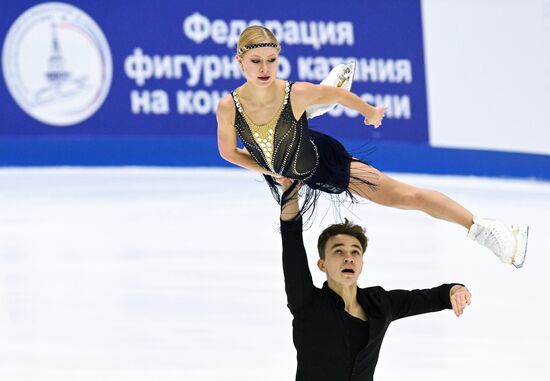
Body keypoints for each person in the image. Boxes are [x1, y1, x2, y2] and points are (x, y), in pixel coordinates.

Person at [216, 25, 528, 267]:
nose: (264, 69)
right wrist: (270, 169)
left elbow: (339, 95)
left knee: (404, 197)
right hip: (287, 168)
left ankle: (485, 229)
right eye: (255, 61)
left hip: (321, 162)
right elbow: (229, 152)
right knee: (290, 238)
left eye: (271, 61)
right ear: (239, 60)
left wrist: (369, 111)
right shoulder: (229, 107)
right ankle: (304, 120)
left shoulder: (295, 92)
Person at [277, 177, 472, 381]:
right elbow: (291, 241)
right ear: (322, 264)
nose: (348, 258)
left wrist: (455, 290)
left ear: (361, 264)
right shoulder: (307, 302)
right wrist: (290, 191)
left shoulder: (379, 304)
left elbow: (433, 297)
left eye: (355, 252)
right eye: (338, 251)